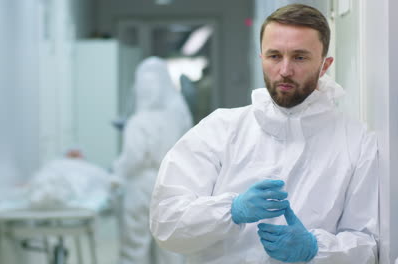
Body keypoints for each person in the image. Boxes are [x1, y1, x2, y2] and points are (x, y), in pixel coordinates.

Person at [150, 4, 378, 264]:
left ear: (325, 65)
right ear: (261, 58)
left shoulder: (356, 142)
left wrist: (315, 249)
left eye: (300, 57)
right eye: (274, 56)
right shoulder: (219, 130)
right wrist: (230, 210)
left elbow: (367, 245)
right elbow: (166, 224)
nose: (285, 70)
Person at [113, 57, 192, 264]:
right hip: (173, 184)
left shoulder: (138, 122)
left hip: (142, 186)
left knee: (135, 245)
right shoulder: (178, 116)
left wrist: (117, 172)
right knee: (171, 245)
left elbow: (133, 159)